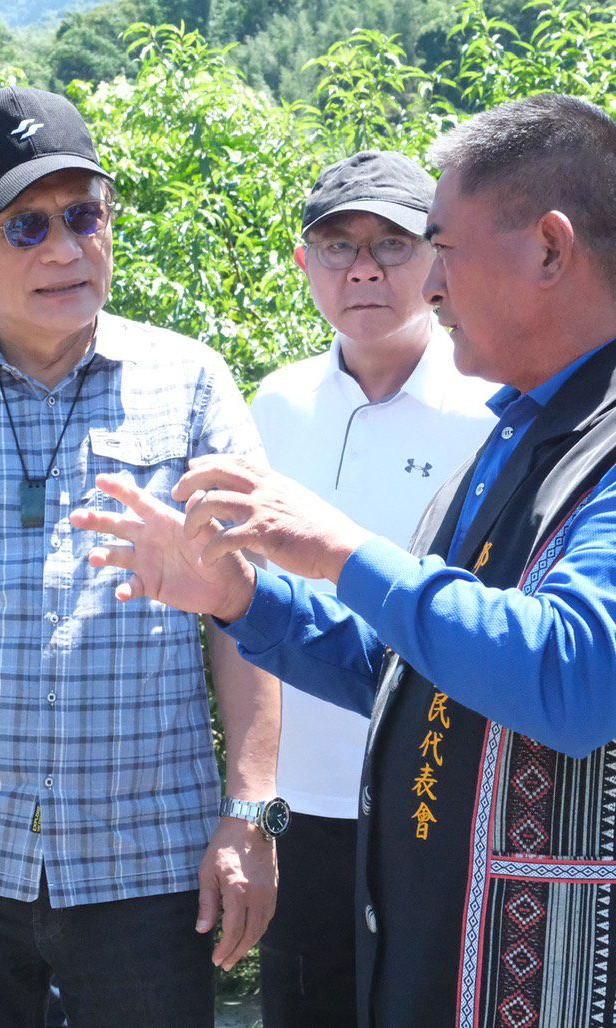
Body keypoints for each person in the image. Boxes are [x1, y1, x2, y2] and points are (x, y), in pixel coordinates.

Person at [72, 94, 616, 1027]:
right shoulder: (517, 436)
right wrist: (242, 596)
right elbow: (415, 673)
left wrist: (340, 551)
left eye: (440, 249)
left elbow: (567, 672)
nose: (432, 286)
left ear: (548, 247)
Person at [0, 86, 281, 1027]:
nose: (66, 250)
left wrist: (251, 812)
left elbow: (247, 616)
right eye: (25, 227)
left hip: (148, 864)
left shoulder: (190, 384)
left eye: (83, 217)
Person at [250, 152, 495, 1026]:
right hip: (300, 805)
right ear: (302, 262)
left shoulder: (491, 407)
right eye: (336, 244)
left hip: (441, 804)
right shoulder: (273, 407)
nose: (362, 268)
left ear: (438, 257)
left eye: (391, 244)